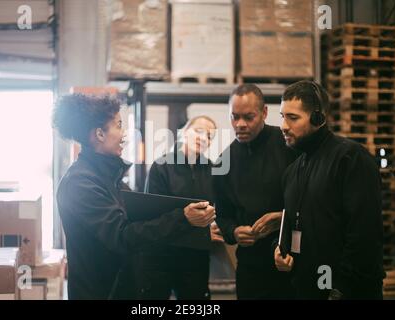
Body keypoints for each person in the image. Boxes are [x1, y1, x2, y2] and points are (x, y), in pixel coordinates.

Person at [53, 94, 216, 299]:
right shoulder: (81, 184)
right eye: (119, 125)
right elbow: (122, 236)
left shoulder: (110, 178)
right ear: (100, 134)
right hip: (99, 292)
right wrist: (182, 218)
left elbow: (141, 219)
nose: (125, 134)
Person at [275, 80, 384, 300]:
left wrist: (341, 289)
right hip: (307, 288)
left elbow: (364, 235)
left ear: (318, 118)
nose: (284, 126)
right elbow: (294, 223)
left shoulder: (350, 158)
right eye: (282, 117)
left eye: (293, 117)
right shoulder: (292, 171)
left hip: (347, 292)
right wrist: (280, 250)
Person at [214, 84, 297, 299]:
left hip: (291, 261)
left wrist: (283, 219)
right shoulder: (224, 161)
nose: (240, 124)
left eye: (248, 117)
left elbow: (312, 201)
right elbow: (222, 215)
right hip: (251, 268)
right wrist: (233, 231)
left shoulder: (289, 146)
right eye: (234, 117)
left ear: (264, 113)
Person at [136, 115, 224, 300]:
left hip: (195, 257)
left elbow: (216, 209)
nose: (203, 138)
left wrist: (216, 226)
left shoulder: (212, 170)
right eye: (198, 131)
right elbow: (151, 215)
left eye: (209, 136)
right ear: (184, 133)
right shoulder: (161, 167)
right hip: (162, 255)